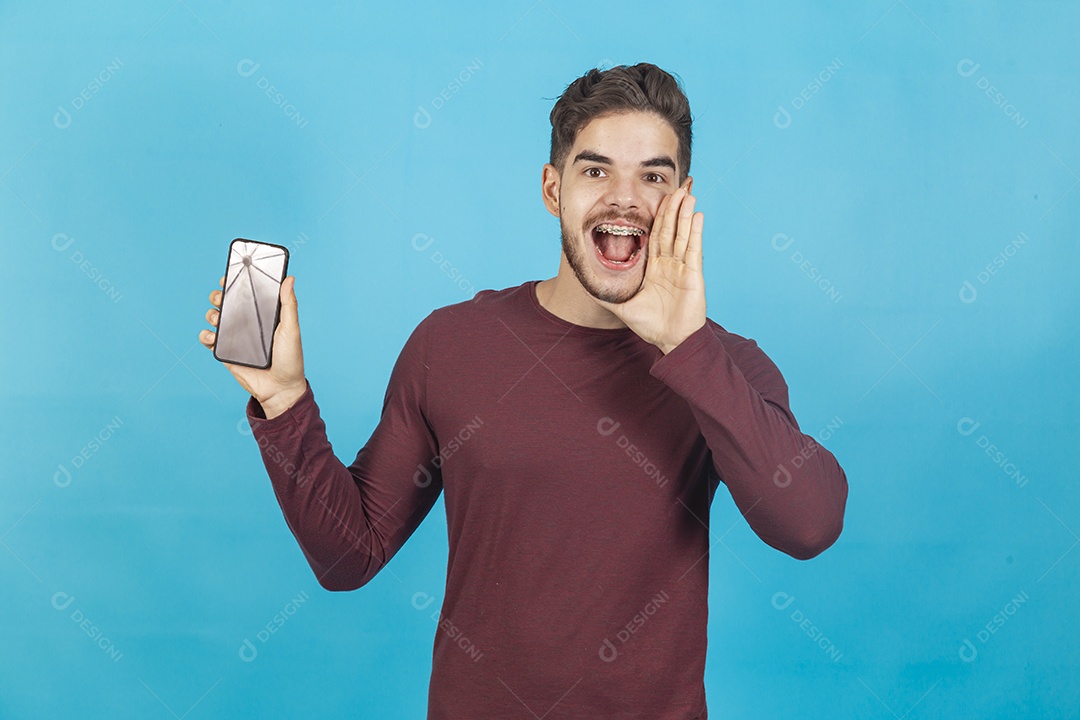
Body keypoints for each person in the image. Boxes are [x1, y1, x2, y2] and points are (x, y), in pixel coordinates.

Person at [199, 62, 848, 719]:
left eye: (653, 176)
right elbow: (350, 556)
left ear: (682, 199)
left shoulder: (724, 365)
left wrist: (687, 348)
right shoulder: (449, 348)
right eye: (596, 170)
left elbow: (810, 523)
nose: (625, 198)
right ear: (552, 188)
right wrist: (283, 401)